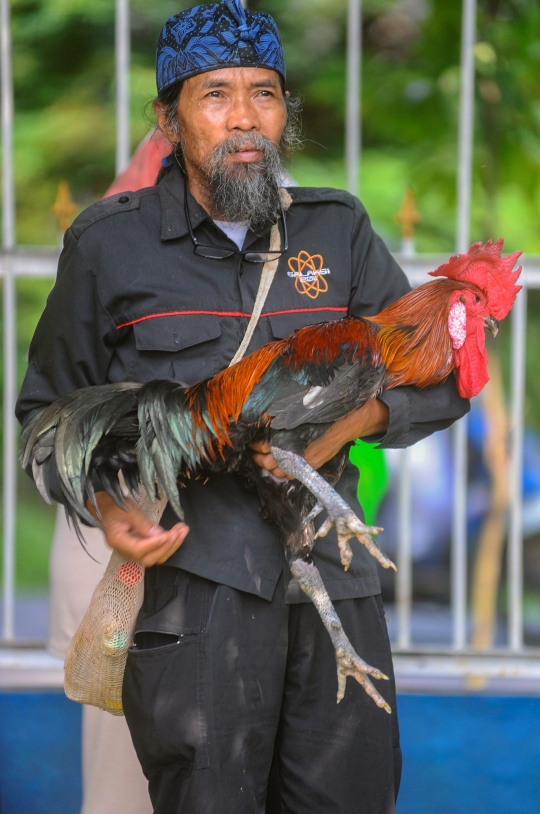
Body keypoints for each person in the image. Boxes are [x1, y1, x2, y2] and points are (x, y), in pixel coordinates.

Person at [16, 2, 469, 812]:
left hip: (335, 582)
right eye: (215, 93)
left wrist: (355, 424)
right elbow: (47, 408)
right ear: (168, 116)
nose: (245, 116)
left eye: (264, 93)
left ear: (285, 110)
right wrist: (111, 500)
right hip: (195, 588)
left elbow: (437, 379)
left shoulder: (337, 231)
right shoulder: (109, 244)